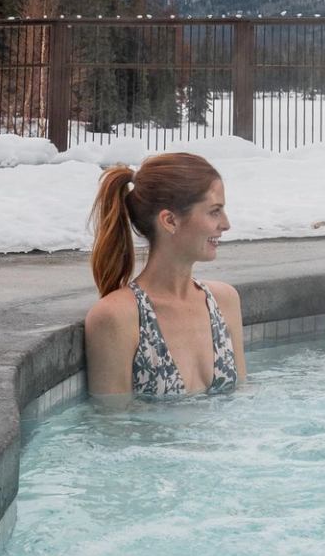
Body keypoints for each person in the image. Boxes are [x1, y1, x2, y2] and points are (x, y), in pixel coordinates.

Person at [84, 151, 245, 398]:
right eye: (214, 211)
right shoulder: (118, 317)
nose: (226, 224)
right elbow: (111, 429)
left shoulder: (225, 301)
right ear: (170, 220)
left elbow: (242, 403)